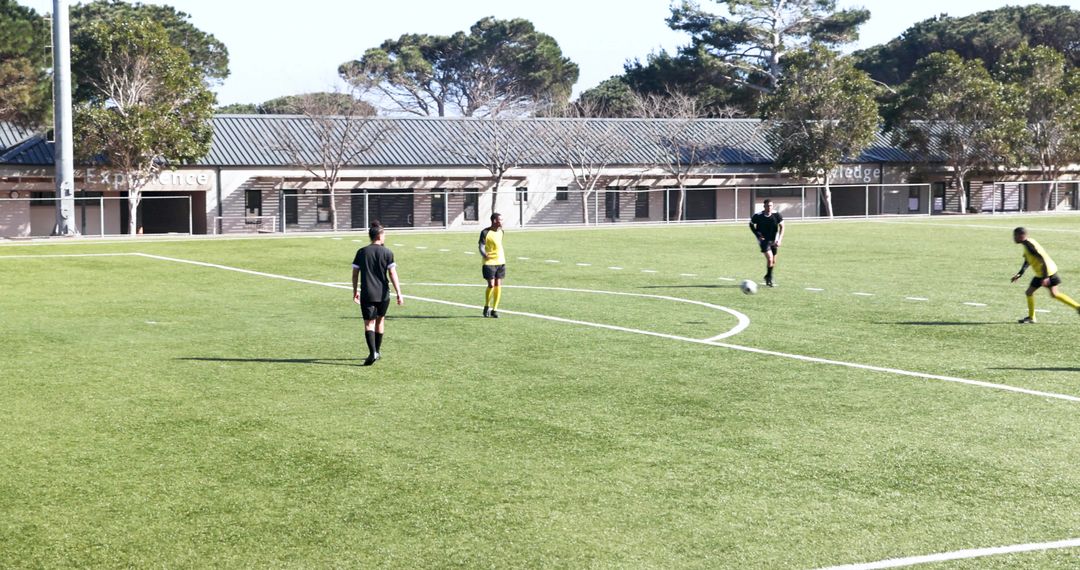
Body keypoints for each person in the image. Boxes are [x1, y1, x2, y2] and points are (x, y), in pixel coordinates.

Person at [352, 222, 404, 365]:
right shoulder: (387, 252)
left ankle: (372, 353)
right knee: (380, 321)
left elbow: (355, 274)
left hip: (367, 293)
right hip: (383, 294)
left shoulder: (362, 252)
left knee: (369, 323)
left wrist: (355, 291)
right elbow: (392, 273)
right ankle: (377, 351)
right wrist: (399, 292)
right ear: (379, 236)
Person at [1010, 226, 1080, 323]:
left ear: (1021, 236)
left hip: (1046, 272)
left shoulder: (1029, 245)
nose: (1013, 238)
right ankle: (1031, 317)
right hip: (1044, 273)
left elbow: (1042, 259)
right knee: (1038, 293)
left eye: (1015, 236)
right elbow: (1027, 260)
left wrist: (1046, 277)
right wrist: (1020, 274)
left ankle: (1032, 317)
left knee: (1052, 294)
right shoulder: (1028, 243)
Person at [749, 199, 784, 287]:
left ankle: (767, 275)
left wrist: (779, 239)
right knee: (770, 259)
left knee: (773, 261)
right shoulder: (758, 216)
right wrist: (758, 235)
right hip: (763, 240)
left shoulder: (777, 215)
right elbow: (751, 224)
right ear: (764, 206)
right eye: (767, 206)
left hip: (774, 239)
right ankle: (769, 278)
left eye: (771, 206)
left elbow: (782, 227)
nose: (769, 207)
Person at [479, 212, 506, 318]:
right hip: (489, 263)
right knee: (491, 284)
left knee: (498, 285)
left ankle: (495, 310)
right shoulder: (485, 232)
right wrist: (484, 254)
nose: (502, 222)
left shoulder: (502, 232)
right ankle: (486, 306)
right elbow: (481, 246)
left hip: (501, 261)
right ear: (495, 220)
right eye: (500, 219)